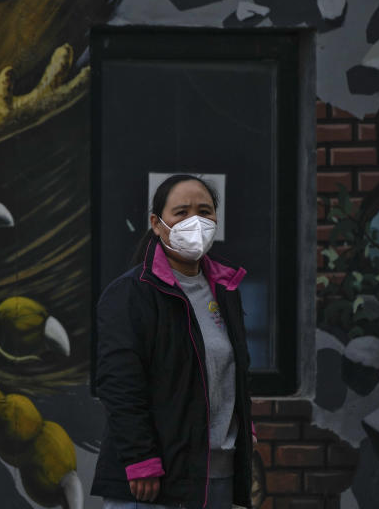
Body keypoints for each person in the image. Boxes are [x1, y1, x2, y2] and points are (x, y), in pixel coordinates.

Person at [92, 174, 254, 509]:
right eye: (181, 212)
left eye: (205, 211)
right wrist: (141, 461)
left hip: (216, 477)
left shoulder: (225, 291)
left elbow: (230, 374)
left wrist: (245, 430)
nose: (195, 221)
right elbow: (119, 384)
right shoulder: (132, 294)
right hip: (155, 483)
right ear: (156, 223)